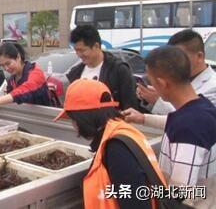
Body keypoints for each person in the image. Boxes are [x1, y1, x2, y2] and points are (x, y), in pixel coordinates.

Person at [123, 46, 216, 208]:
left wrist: (140, 191)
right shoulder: (201, 106)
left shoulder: (188, 128)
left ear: (162, 83)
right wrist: (142, 118)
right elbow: (176, 121)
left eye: (151, 81)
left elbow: (180, 194)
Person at [54, 79, 166, 209]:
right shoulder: (119, 133)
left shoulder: (117, 149)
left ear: (82, 117)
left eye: (72, 119)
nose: (73, 125)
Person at [137, 29, 216, 114]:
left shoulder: (213, 86)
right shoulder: (175, 79)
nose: (173, 62)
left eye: (180, 57)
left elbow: (194, 117)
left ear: (200, 56)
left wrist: (157, 101)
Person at [67, 25, 138, 110]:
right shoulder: (75, 73)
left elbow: (130, 107)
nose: (79, 55)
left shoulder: (119, 70)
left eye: (82, 50)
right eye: (76, 50)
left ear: (96, 46)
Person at [0, 43, 50, 110]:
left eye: (8, 63)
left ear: (18, 57)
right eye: (3, 66)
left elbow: (25, 90)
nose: (6, 68)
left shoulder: (35, 72)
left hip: (44, 118)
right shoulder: (12, 80)